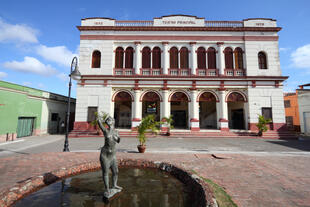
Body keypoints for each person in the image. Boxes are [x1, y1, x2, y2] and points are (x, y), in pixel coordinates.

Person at [97, 115, 122, 198]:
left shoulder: (116, 131)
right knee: (105, 172)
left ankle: (114, 185)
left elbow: (119, 140)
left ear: (113, 121)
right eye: (107, 120)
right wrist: (100, 119)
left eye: (110, 119)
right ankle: (107, 189)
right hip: (105, 155)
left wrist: (117, 137)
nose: (108, 120)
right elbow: (99, 123)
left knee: (116, 171)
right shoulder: (105, 130)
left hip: (113, 155)